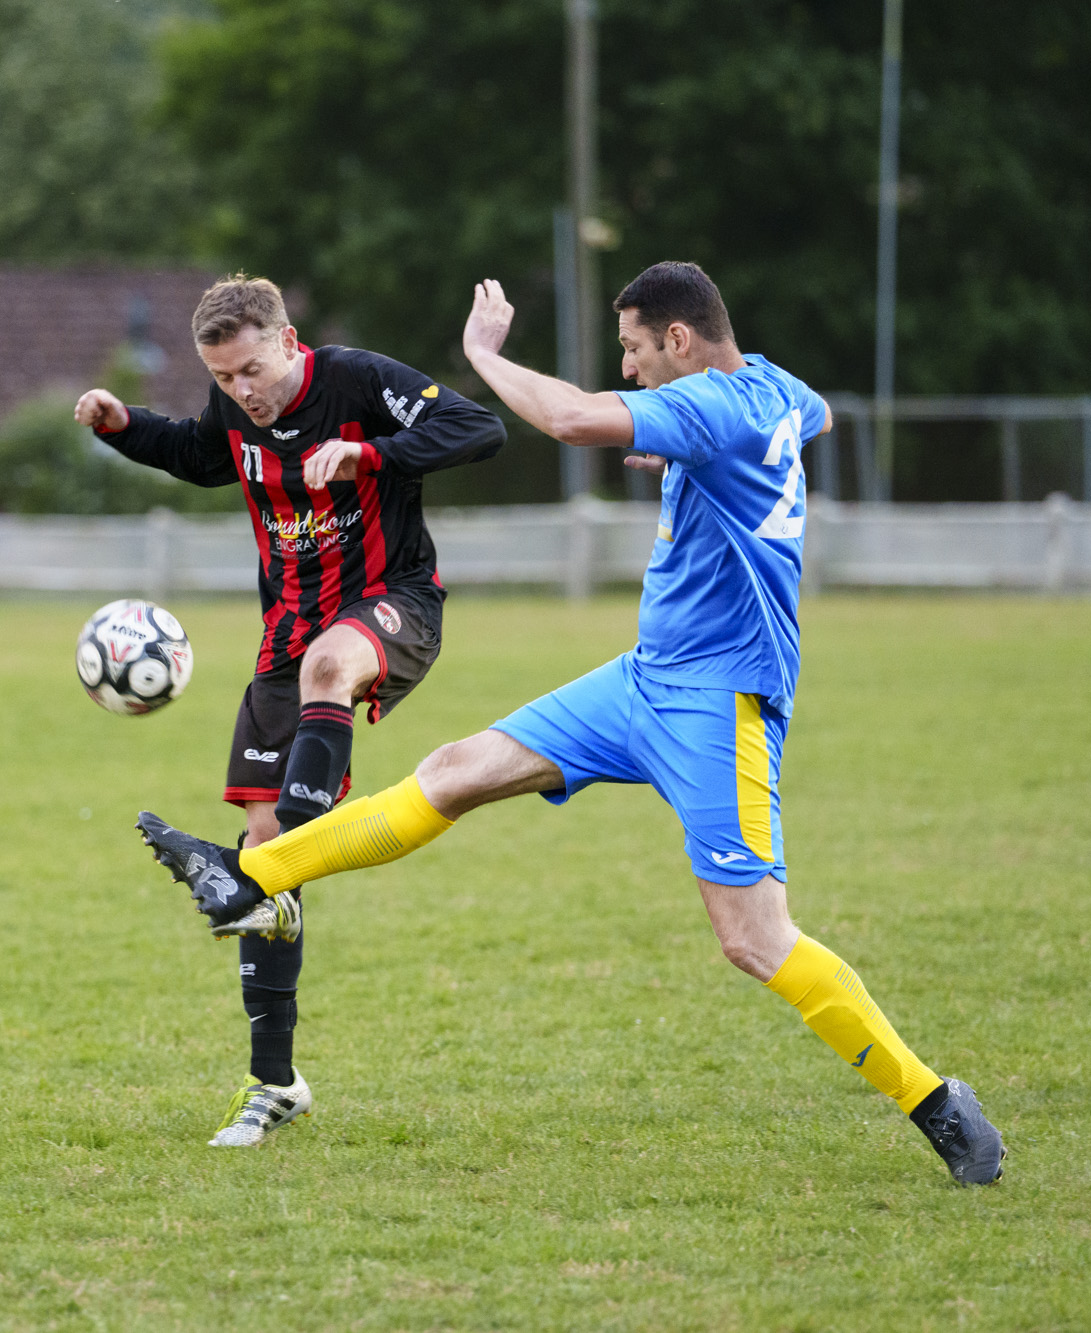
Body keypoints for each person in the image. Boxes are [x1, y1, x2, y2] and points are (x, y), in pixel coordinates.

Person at [137, 262, 1004, 1184]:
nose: (628, 368)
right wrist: (695, 452)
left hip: (720, 703)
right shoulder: (773, 391)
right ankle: (249, 876)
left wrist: (484, 357)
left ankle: (935, 1101)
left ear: (680, 340)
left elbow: (572, 418)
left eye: (633, 349)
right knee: (455, 770)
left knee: (754, 939)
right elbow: (815, 417)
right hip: (642, 678)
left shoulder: (716, 403)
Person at [76, 274, 505, 1146]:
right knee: (264, 848)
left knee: (329, 670)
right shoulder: (234, 407)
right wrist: (123, 427)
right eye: (224, 377)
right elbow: (199, 454)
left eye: (253, 370)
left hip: (394, 602)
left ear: (288, 340)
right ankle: (275, 1082)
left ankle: (263, 876)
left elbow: (477, 428)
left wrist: (366, 455)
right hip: (286, 638)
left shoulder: (355, 379)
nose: (243, 390)